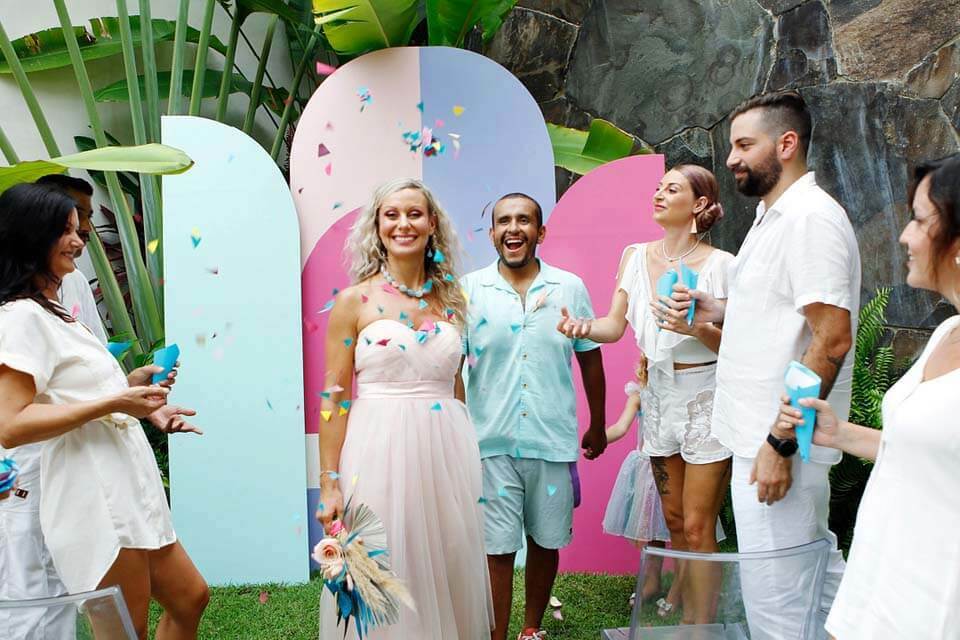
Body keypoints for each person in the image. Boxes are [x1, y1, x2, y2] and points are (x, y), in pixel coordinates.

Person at [664, 91, 859, 638]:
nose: (730, 158)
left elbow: (832, 337)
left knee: (776, 606)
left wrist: (780, 443)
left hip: (777, 447)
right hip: (758, 437)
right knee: (815, 587)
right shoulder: (771, 216)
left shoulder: (810, 220)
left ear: (787, 144)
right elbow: (779, 309)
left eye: (744, 145)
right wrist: (713, 308)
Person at [0, 183, 209, 640]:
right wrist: (115, 401)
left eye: (79, 229)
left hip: (126, 485)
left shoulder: (54, 311)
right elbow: (12, 424)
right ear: (31, 236)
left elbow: (71, 394)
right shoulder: (19, 317)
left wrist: (132, 393)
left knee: (191, 597)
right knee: (124, 629)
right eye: (66, 230)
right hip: (92, 494)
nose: (80, 240)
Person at [775, 154, 960, 639]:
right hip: (881, 578)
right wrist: (843, 434)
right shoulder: (947, 332)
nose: (903, 236)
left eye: (919, 220)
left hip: (937, 601)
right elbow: (930, 450)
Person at [316, 178, 492, 639]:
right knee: (386, 561)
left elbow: (456, 386)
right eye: (392, 214)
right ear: (378, 225)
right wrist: (329, 482)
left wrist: (465, 457)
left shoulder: (451, 299)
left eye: (414, 214)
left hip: (445, 451)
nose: (403, 224)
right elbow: (334, 396)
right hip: (378, 448)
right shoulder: (355, 302)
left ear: (432, 224)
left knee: (448, 559)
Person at [557, 165, 732, 624]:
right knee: (673, 523)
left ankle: (699, 631)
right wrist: (583, 327)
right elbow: (613, 327)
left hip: (706, 396)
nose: (658, 193)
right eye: (659, 186)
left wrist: (696, 326)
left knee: (697, 526)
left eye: (671, 189)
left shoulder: (723, 266)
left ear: (697, 205)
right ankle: (688, 619)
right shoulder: (634, 255)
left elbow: (738, 347)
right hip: (657, 400)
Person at [462, 192, 607, 640]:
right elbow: (453, 365)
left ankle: (531, 629)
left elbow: (591, 359)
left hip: (551, 437)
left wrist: (598, 423)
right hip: (489, 441)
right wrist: (455, 431)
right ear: (492, 234)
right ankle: (497, 635)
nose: (513, 229)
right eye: (504, 221)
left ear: (540, 232)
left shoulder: (570, 288)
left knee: (546, 540)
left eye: (524, 220)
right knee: (498, 547)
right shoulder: (469, 291)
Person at [601, 371, 680, 616]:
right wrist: (597, 438)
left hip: (675, 467)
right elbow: (620, 427)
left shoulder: (679, 389)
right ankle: (652, 581)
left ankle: (679, 587)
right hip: (647, 469)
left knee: (678, 529)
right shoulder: (639, 394)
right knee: (651, 531)